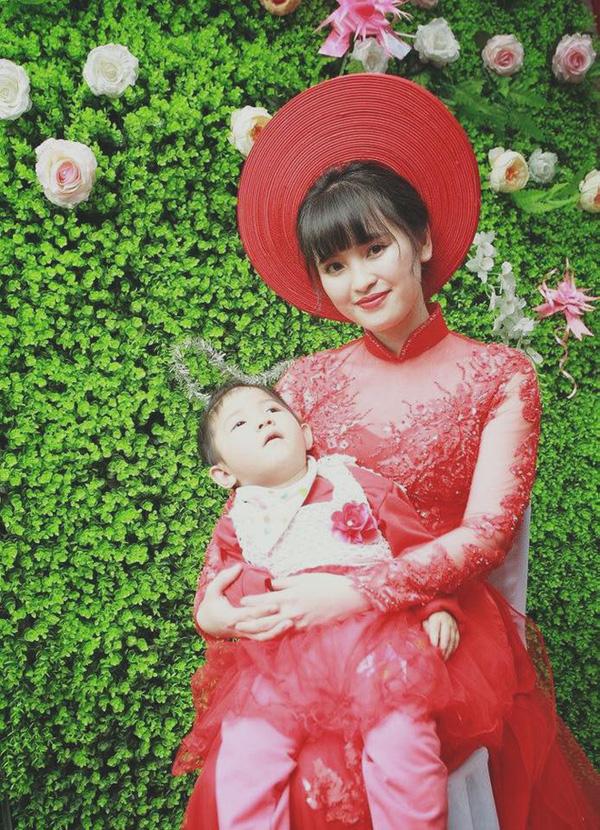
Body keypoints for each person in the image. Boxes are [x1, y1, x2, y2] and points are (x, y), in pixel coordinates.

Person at [176, 75, 599, 828]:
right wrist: (215, 603)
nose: (360, 280)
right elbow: (260, 511)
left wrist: (361, 595)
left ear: (422, 241)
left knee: (396, 765)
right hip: (310, 632)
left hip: (440, 617)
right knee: (264, 765)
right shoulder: (305, 382)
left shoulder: (501, 376)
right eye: (335, 266)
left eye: (375, 249)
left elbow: (487, 535)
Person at [173, 380, 467, 828]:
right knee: (246, 754)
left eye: (272, 411)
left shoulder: (356, 483)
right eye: (240, 424)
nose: (262, 421)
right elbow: (219, 589)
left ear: (306, 434)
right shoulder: (238, 521)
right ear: (224, 474)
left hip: (376, 642)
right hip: (282, 661)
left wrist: (438, 606)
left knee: (403, 743)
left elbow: (419, 552)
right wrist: (226, 613)